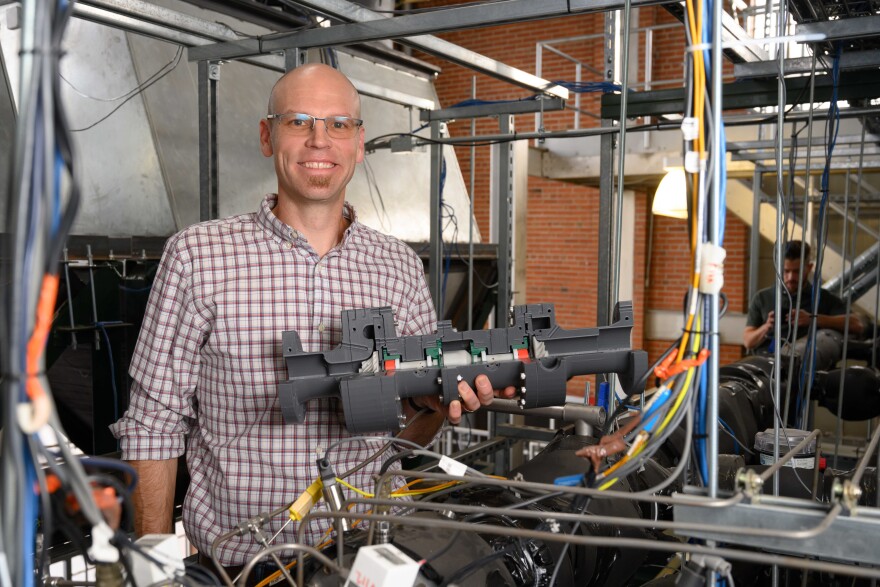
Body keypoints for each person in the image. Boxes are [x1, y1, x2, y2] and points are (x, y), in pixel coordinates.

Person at [110, 64, 513, 573]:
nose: (320, 140)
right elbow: (154, 424)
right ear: (267, 135)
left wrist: (439, 403)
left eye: (338, 124)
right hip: (245, 564)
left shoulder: (399, 267)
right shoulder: (197, 257)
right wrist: (154, 574)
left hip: (374, 558)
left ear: (359, 142)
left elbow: (406, 429)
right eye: (299, 121)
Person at [743, 240, 863, 370]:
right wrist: (766, 327)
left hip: (808, 372)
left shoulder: (823, 298)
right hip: (766, 369)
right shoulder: (762, 298)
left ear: (809, 267)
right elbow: (748, 341)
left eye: (797, 271)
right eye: (786, 271)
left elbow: (856, 325)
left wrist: (813, 319)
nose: (790, 277)